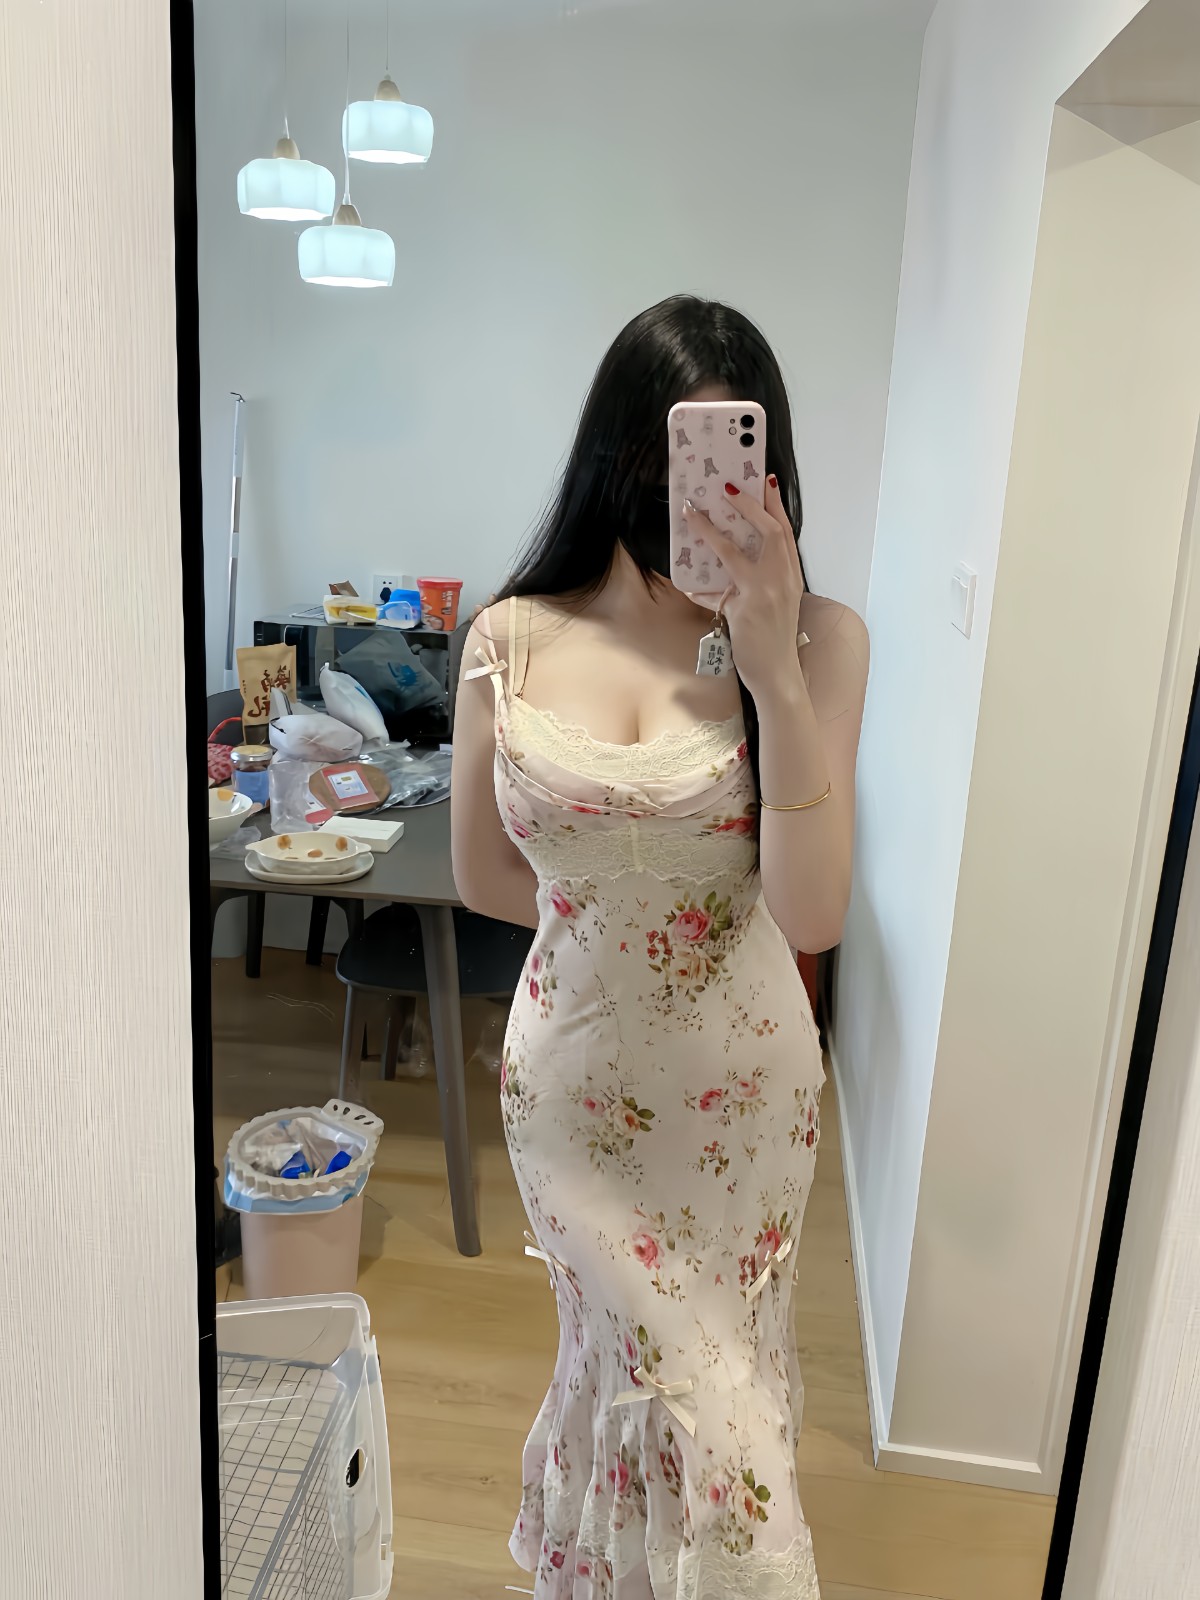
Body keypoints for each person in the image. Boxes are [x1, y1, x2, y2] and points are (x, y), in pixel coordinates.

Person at [451, 295, 869, 1599]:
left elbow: (811, 914)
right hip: (572, 1097)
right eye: (670, 464)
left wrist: (773, 670)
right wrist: (616, 927)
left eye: (733, 465)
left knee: (726, 1409)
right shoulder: (509, 639)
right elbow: (482, 875)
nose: (698, 499)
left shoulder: (821, 644)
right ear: (619, 459)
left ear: (769, 473)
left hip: (739, 1104)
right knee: (618, 1372)